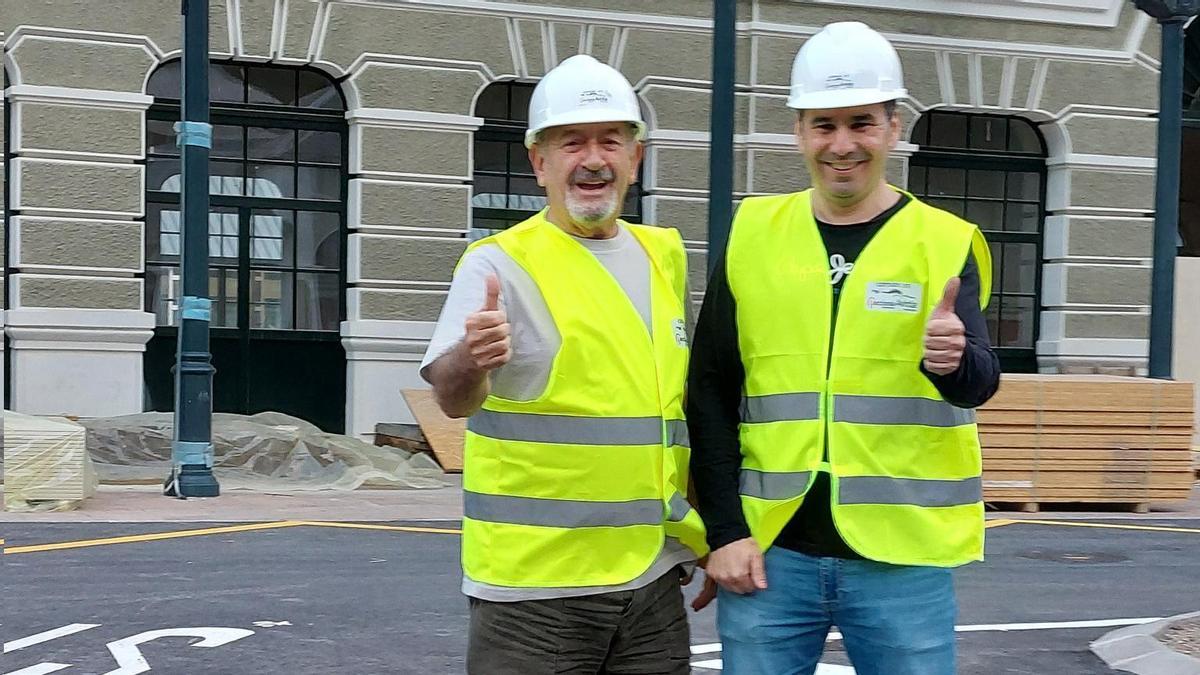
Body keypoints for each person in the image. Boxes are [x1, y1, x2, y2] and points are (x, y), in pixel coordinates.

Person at [687, 22, 1002, 675]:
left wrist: (953, 361)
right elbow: (710, 391)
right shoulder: (754, 233)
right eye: (823, 125)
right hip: (771, 554)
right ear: (799, 131)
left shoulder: (943, 240)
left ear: (893, 125)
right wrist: (723, 532)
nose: (842, 144)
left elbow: (979, 381)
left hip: (903, 560)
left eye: (861, 123)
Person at [420, 54, 707, 675]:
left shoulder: (666, 258)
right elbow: (451, 397)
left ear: (636, 156)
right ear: (539, 162)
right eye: (572, 142)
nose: (593, 159)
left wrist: (706, 536)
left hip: (651, 578)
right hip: (535, 592)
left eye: (611, 141)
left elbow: (676, 410)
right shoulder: (496, 265)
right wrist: (473, 359)